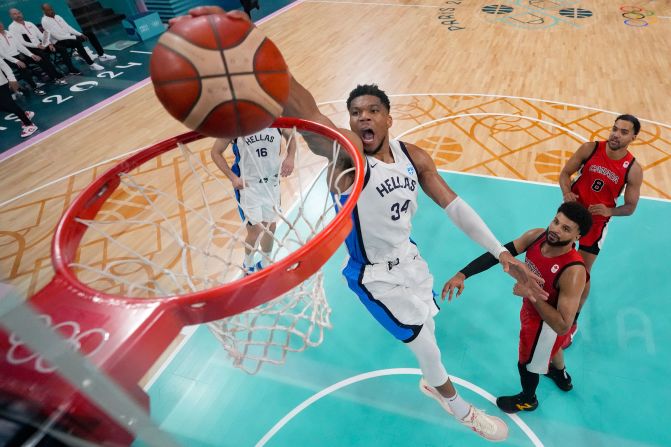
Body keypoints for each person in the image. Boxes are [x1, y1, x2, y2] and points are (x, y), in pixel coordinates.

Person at [177, 7, 549, 442]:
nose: (364, 118)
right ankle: (456, 405)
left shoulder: (415, 157)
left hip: (409, 259)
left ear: (389, 118)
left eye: (374, 111)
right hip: (374, 276)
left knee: (427, 324)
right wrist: (249, 44)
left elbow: (455, 206)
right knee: (423, 344)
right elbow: (304, 106)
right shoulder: (347, 161)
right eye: (356, 112)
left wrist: (504, 255)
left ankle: (434, 380)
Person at [443, 202, 592, 413]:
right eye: (556, 221)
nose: (555, 230)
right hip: (535, 311)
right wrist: (463, 274)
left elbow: (562, 326)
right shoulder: (537, 236)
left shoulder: (572, 271)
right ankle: (561, 375)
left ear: (577, 237)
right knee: (553, 349)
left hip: (545, 324)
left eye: (566, 229)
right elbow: (499, 253)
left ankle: (528, 399)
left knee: (526, 362)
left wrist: (530, 293)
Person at [557, 115, 644, 346]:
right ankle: (552, 300)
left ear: (633, 137)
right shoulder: (590, 148)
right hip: (570, 215)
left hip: (596, 224)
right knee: (555, 258)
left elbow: (630, 207)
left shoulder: (633, 169)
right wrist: (567, 192)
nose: (616, 134)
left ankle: (572, 322)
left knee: (582, 273)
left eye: (624, 132)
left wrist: (609, 211)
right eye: (615, 129)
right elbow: (565, 174)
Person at [211, 127, 296, 273]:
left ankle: (265, 263)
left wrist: (290, 157)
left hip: (271, 185)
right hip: (249, 188)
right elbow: (215, 152)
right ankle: (248, 264)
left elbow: (291, 136)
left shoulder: (275, 119)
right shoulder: (235, 124)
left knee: (271, 228)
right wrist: (233, 178)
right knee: (255, 231)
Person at [40, 3, 109, 72]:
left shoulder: (58, 16)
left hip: (69, 37)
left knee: (89, 34)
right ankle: (91, 64)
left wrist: (79, 34)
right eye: (48, 10)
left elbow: (68, 27)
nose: (51, 11)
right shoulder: (44, 21)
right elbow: (57, 36)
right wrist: (73, 37)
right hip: (59, 42)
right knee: (77, 42)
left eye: (51, 9)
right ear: (44, 11)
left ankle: (102, 55)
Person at [7, 7, 67, 83]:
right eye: (14, 14)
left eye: (18, 13)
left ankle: (70, 69)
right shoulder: (12, 27)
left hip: (40, 46)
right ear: (11, 16)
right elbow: (21, 43)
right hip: (28, 50)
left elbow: (41, 35)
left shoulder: (29, 23)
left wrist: (49, 44)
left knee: (61, 49)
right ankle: (54, 76)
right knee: (43, 56)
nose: (18, 15)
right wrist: (37, 45)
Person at [0, 22, 57, 95]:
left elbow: (19, 46)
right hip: (6, 59)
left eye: (0, 23)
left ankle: (54, 78)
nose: (0, 25)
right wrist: (16, 61)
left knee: (38, 59)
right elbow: (2, 53)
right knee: (22, 67)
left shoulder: (9, 33)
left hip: (17, 55)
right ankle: (34, 87)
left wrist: (31, 55)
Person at [0, 57, 37, 137]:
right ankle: (25, 114)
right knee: (2, 106)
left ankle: (29, 125)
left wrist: (12, 79)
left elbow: (4, 66)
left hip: (1, 84)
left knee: (9, 105)